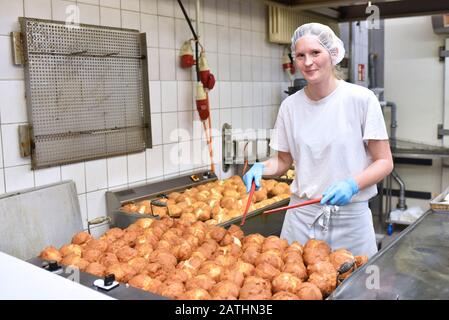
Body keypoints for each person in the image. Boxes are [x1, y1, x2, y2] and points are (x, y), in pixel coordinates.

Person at [243, 23, 393, 257]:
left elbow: (384, 161)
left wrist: (352, 184)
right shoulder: (290, 107)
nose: (308, 62)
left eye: (315, 53)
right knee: (292, 287)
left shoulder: (361, 99)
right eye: (300, 55)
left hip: (350, 221)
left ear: (332, 55)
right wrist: (262, 167)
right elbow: (283, 161)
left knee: (355, 290)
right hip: (301, 219)